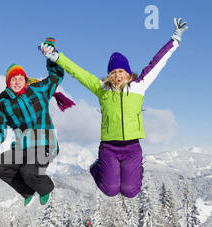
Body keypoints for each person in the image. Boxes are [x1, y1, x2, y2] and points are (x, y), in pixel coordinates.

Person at [41, 18, 188, 198]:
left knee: (130, 192)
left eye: (121, 71)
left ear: (127, 73)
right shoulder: (101, 88)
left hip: (132, 148)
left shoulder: (139, 86)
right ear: (110, 75)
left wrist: (175, 40)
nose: (118, 75)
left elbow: (157, 63)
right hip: (109, 147)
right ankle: (97, 167)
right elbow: (77, 72)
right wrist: (56, 56)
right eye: (113, 72)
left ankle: (134, 172)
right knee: (110, 190)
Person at [0, 44, 64, 207]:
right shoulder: (4, 104)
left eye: (20, 77)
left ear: (25, 79)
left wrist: (51, 56)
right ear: (8, 83)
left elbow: (56, 76)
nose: (17, 81)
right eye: (13, 79)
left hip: (44, 144)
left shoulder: (38, 90)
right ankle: (27, 191)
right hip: (22, 148)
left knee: (28, 171)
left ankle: (46, 188)